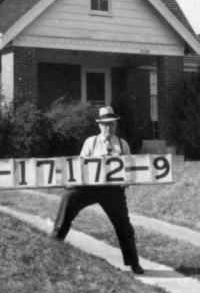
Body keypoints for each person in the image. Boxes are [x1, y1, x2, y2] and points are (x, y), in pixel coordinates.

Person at [49, 106, 144, 275]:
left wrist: (127, 181)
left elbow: (129, 170)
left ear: (116, 125)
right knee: (69, 197)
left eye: (112, 125)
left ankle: (134, 263)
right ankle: (54, 243)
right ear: (99, 126)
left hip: (113, 191)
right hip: (90, 188)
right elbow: (80, 167)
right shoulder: (90, 142)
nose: (109, 128)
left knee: (124, 226)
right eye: (105, 125)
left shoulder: (123, 144)